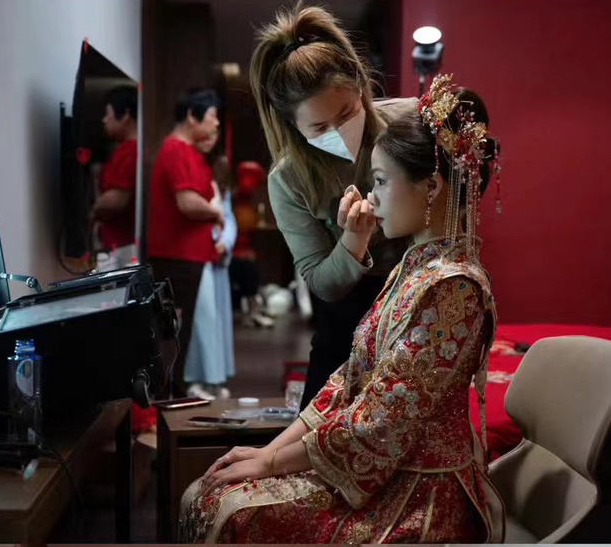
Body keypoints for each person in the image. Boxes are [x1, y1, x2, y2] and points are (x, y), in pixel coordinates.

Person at [179, 75, 505, 543]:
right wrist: (268, 453)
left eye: (380, 181)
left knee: (226, 510)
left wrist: (272, 462)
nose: (370, 197)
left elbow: (380, 421)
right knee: (211, 495)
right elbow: (348, 381)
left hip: (422, 492)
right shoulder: (413, 268)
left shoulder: (452, 288)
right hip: (390, 470)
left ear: (432, 187)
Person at [248, 3, 419, 410]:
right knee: (319, 426)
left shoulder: (410, 122)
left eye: (346, 115)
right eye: (320, 128)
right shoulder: (289, 179)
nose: (340, 134)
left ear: (360, 86)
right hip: (346, 316)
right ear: (293, 126)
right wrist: (353, 241)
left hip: (416, 302)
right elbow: (322, 283)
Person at [148, 88, 223, 398]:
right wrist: (216, 213)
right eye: (212, 117)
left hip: (187, 256)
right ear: (192, 116)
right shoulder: (176, 149)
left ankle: (173, 390)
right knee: (173, 330)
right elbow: (188, 202)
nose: (216, 123)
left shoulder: (188, 150)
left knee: (180, 331)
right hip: (176, 256)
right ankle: (165, 395)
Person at [184, 135, 237, 400]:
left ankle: (214, 379)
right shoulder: (192, 176)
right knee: (201, 320)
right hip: (199, 254)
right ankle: (196, 378)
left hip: (215, 257)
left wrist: (224, 243)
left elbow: (228, 218)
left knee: (216, 320)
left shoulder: (219, 182)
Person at [90, 85, 139, 263]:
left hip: (122, 247)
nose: (104, 120)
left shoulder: (131, 151)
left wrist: (91, 215)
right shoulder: (125, 149)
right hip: (117, 244)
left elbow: (116, 200)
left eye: (108, 114)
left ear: (125, 115)